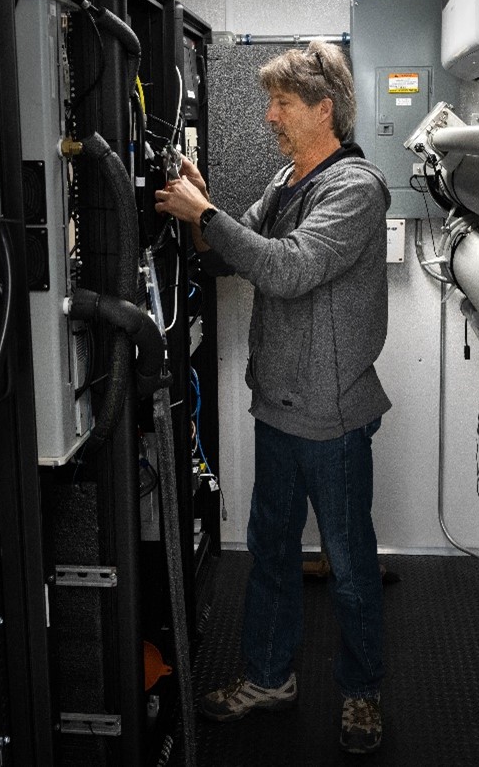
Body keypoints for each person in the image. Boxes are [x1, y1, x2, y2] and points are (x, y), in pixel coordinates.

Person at [154, 41, 391, 754]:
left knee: (349, 568)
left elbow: (290, 270)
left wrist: (209, 216)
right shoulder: (287, 178)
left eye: (282, 103)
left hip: (334, 414)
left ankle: (362, 693)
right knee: (271, 552)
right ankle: (268, 676)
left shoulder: (355, 188)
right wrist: (203, 213)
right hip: (278, 406)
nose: (269, 116)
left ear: (325, 110)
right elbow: (231, 252)